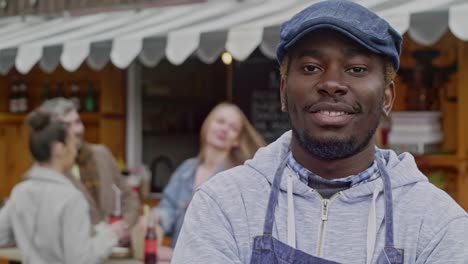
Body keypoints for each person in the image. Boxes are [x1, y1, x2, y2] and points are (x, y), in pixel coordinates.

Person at [172, 1, 468, 263]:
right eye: (312, 68)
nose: (332, 83)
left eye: (357, 69)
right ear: (283, 92)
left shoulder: (436, 225)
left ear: (387, 98)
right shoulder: (224, 205)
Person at [0, 110, 128, 263]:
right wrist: (111, 235)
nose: (75, 152)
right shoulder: (71, 199)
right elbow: (80, 259)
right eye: (72, 144)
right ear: (59, 149)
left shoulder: (19, 192)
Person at [152, 102, 265, 248]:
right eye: (220, 121)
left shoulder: (237, 177)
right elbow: (168, 208)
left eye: (233, 128)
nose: (224, 129)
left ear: (237, 140)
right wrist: (157, 218)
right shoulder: (186, 170)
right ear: (208, 125)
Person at [38, 98, 140, 244]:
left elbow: (129, 196)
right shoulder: (49, 170)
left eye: (78, 122)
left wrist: (124, 228)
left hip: (115, 252)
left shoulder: (101, 154)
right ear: (51, 134)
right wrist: (106, 234)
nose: (77, 130)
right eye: (67, 125)